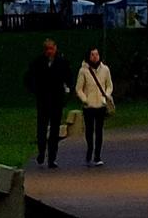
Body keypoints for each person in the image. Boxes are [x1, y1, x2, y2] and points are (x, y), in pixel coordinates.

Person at [25, 37, 70, 168]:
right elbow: (29, 78)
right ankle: (41, 151)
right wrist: (35, 90)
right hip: (43, 101)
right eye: (47, 49)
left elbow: (68, 78)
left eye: (52, 49)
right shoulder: (38, 63)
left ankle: (52, 158)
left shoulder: (62, 62)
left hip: (56, 101)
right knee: (42, 128)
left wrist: (66, 92)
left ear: (55, 48)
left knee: (55, 130)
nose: (50, 51)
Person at [75, 47, 114, 167]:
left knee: (99, 130)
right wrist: (85, 100)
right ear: (88, 56)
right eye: (92, 55)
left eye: (97, 54)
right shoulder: (83, 71)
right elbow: (79, 88)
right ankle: (90, 148)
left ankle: (97, 155)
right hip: (89, 106)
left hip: (100, 105)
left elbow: (109, 85)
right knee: (89, 130)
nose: (95, 57)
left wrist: (105, 96)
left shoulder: (105, 69)